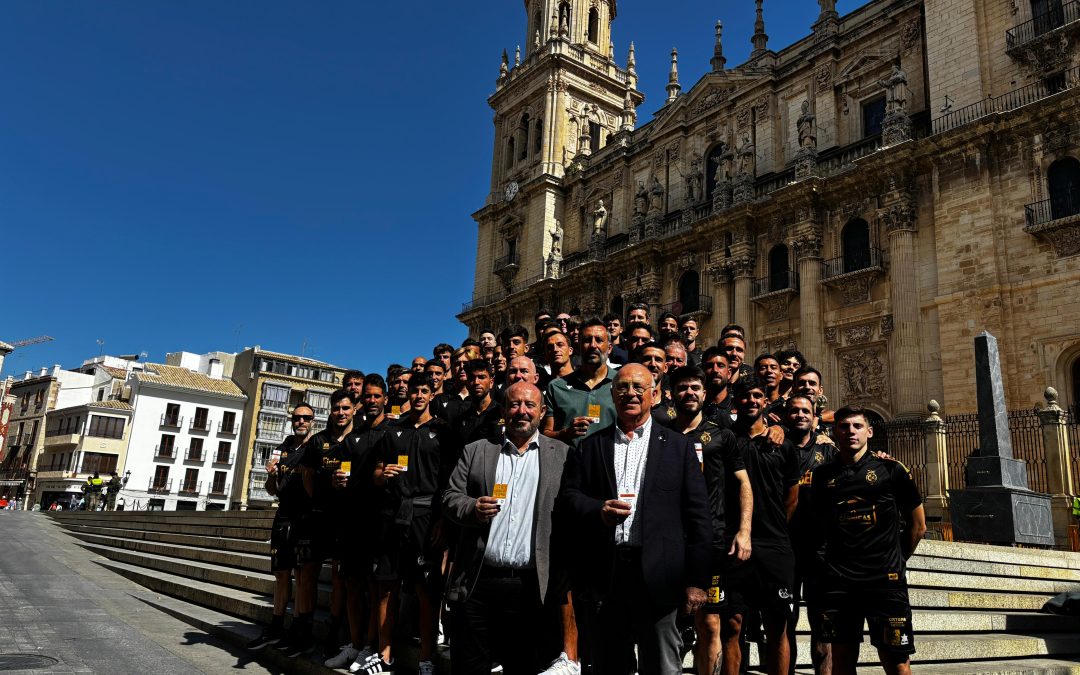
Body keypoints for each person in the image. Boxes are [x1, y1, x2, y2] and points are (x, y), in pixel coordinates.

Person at [559, 363, 711, 675]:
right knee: (609, 664)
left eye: (638, 387)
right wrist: (597, 509)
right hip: (606, 575)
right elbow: (570, 497)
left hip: (661, 574)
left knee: (663, 666)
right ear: (612, 396)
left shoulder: (680, 447)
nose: (630, 393)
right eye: (623, 387)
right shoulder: (591, 446)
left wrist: (697, 581)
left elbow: (698, 516)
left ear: (654, 395)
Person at [443, 382, 572, 674]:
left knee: (524, 666)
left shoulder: (561, 455)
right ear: (503, 411)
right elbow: (450, 497)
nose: (522, 411)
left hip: (531, 587)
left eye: (529, 405)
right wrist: (471, 508)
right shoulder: (478, 450)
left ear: (542, 411)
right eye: (514, 404)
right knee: (470, 666)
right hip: (477, 581)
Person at [811, 406, 926, 675]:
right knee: (841, 660)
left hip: (884, 583)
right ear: (834, 432)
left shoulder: (892, 469)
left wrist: (895, 560)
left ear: (869, 432)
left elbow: (918, 526)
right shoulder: (822, 475)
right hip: (840, 583)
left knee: (896, 662)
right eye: (844, 426)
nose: (851, 431)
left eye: (857, 426)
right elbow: (821, 524)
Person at [666, 366, 752, 675]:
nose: (689, 393)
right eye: (682, 388)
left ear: (704, 394)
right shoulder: (661, 434)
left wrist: (744, 531)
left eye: (695, 388)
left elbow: (743, 483)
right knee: (665, 624)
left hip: (711, 542)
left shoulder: (722, 435)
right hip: (669, 542)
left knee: (711, 622)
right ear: (671, 394)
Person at [369, 374, 450, 675]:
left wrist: (442, 518)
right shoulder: (392, 431)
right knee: (386, 586)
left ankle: (426, 658)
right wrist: (382, 475)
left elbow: (448, 480)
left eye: (424, 391)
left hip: (426, 516)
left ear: (432, 394)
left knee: (426, 591)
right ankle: (384, 655)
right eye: (414, 391)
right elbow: (376, 474)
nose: (418, 396)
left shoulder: (442, 431)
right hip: (393, 516)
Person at [721, 375, 799, 675]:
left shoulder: (783, 445)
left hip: (774, 545)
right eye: (744, 396)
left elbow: (792, 498)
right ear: (735, 401)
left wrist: (774, 526)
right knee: (732, 624)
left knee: (777, 625)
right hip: (733, 543)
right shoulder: (726, 441)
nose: (751, 401)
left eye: (756, 396)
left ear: (765, 401)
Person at [326, 376, 394, 671]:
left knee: (376, 587)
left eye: (377, 396)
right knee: (352, 584)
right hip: (352, 520)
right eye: (367, 396)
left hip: (381, 521)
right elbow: (340, 473)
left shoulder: (394, 433)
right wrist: (336, 480)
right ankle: (354, 646)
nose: (371, 400)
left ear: (385, 399)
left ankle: (371, 647)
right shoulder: (352, 438)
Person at [288, 390, 358, 659]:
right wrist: (317, 498)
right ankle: (302, 631)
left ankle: (334, 633)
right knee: (308, 574)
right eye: (336, 408)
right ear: (330, 411)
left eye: (346, 408)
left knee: (340, 576)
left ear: (353, 410)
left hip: (347, 518)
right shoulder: (318, 441)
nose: (341, 412)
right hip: (318, 517)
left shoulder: (359, 437)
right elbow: (306, 474)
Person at [248, 403, 314, 651]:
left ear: (312, 421)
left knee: (301, 575)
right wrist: (272, 476)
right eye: (297, 418)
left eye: (306, 418)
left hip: (305, 517)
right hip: (283, 514)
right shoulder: (282, 447)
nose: (301, 422)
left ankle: (298, 630)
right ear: (291, 420)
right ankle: (276, 626)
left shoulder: (314, 447)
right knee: (281, 573)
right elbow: (271, 490)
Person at [784, 394, 837, 675]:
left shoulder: (829, 451)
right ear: (785, 415)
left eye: (806, 410)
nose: (800, 415)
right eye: (794, 410)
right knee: (784, 621)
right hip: (785, 547)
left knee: (822, 622)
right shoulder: (776, 447)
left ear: (814, 416)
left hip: (820, 548)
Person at [542, 320, 618, 446]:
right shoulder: (557, 387)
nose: (593, 345)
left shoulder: (622, 383)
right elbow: (546, 434)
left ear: (609, 348)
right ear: (579, 346)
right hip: (569, 463)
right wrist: (566, 433)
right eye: (587, 340)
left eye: (599, 340)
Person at [701, 348, 734, 430]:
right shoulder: (694, 405)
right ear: (702, 371)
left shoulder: (739, 405)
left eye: (720, 366)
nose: (715, 370)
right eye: (709, 366)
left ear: (729, 373)